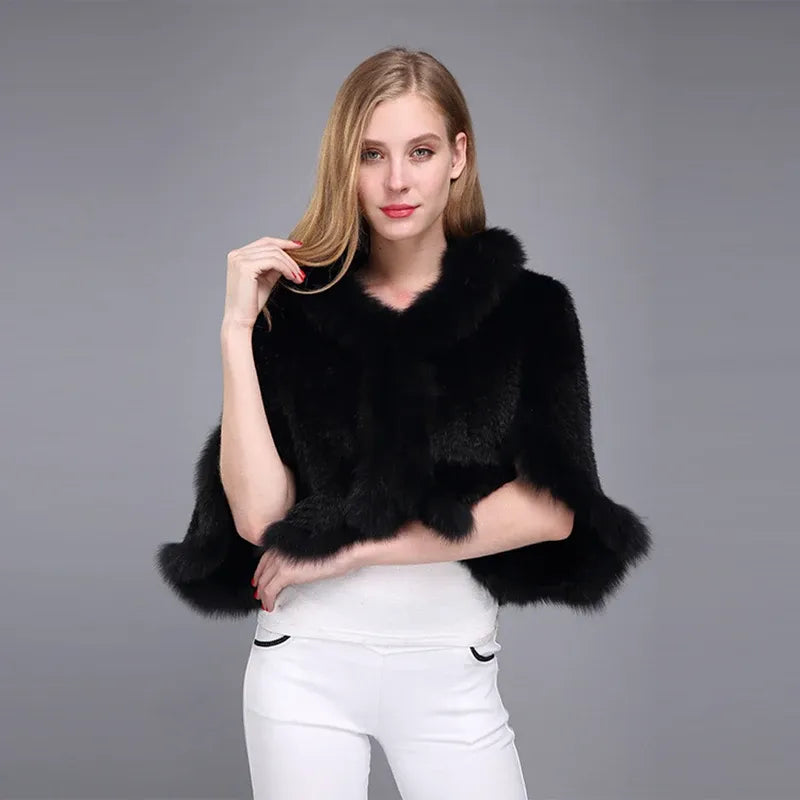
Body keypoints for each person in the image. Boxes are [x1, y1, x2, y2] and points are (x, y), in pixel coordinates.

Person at [157, 45, 652, 800]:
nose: (396, 181)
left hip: (452, 671)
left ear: (458, 157)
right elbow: (258, 518)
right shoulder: (294, 311)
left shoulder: (532, 309)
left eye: (420, 151)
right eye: (372, 154)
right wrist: (235, 330)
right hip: (304, 665)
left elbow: (553, 509)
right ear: (345, 165)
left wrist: (348, 552)